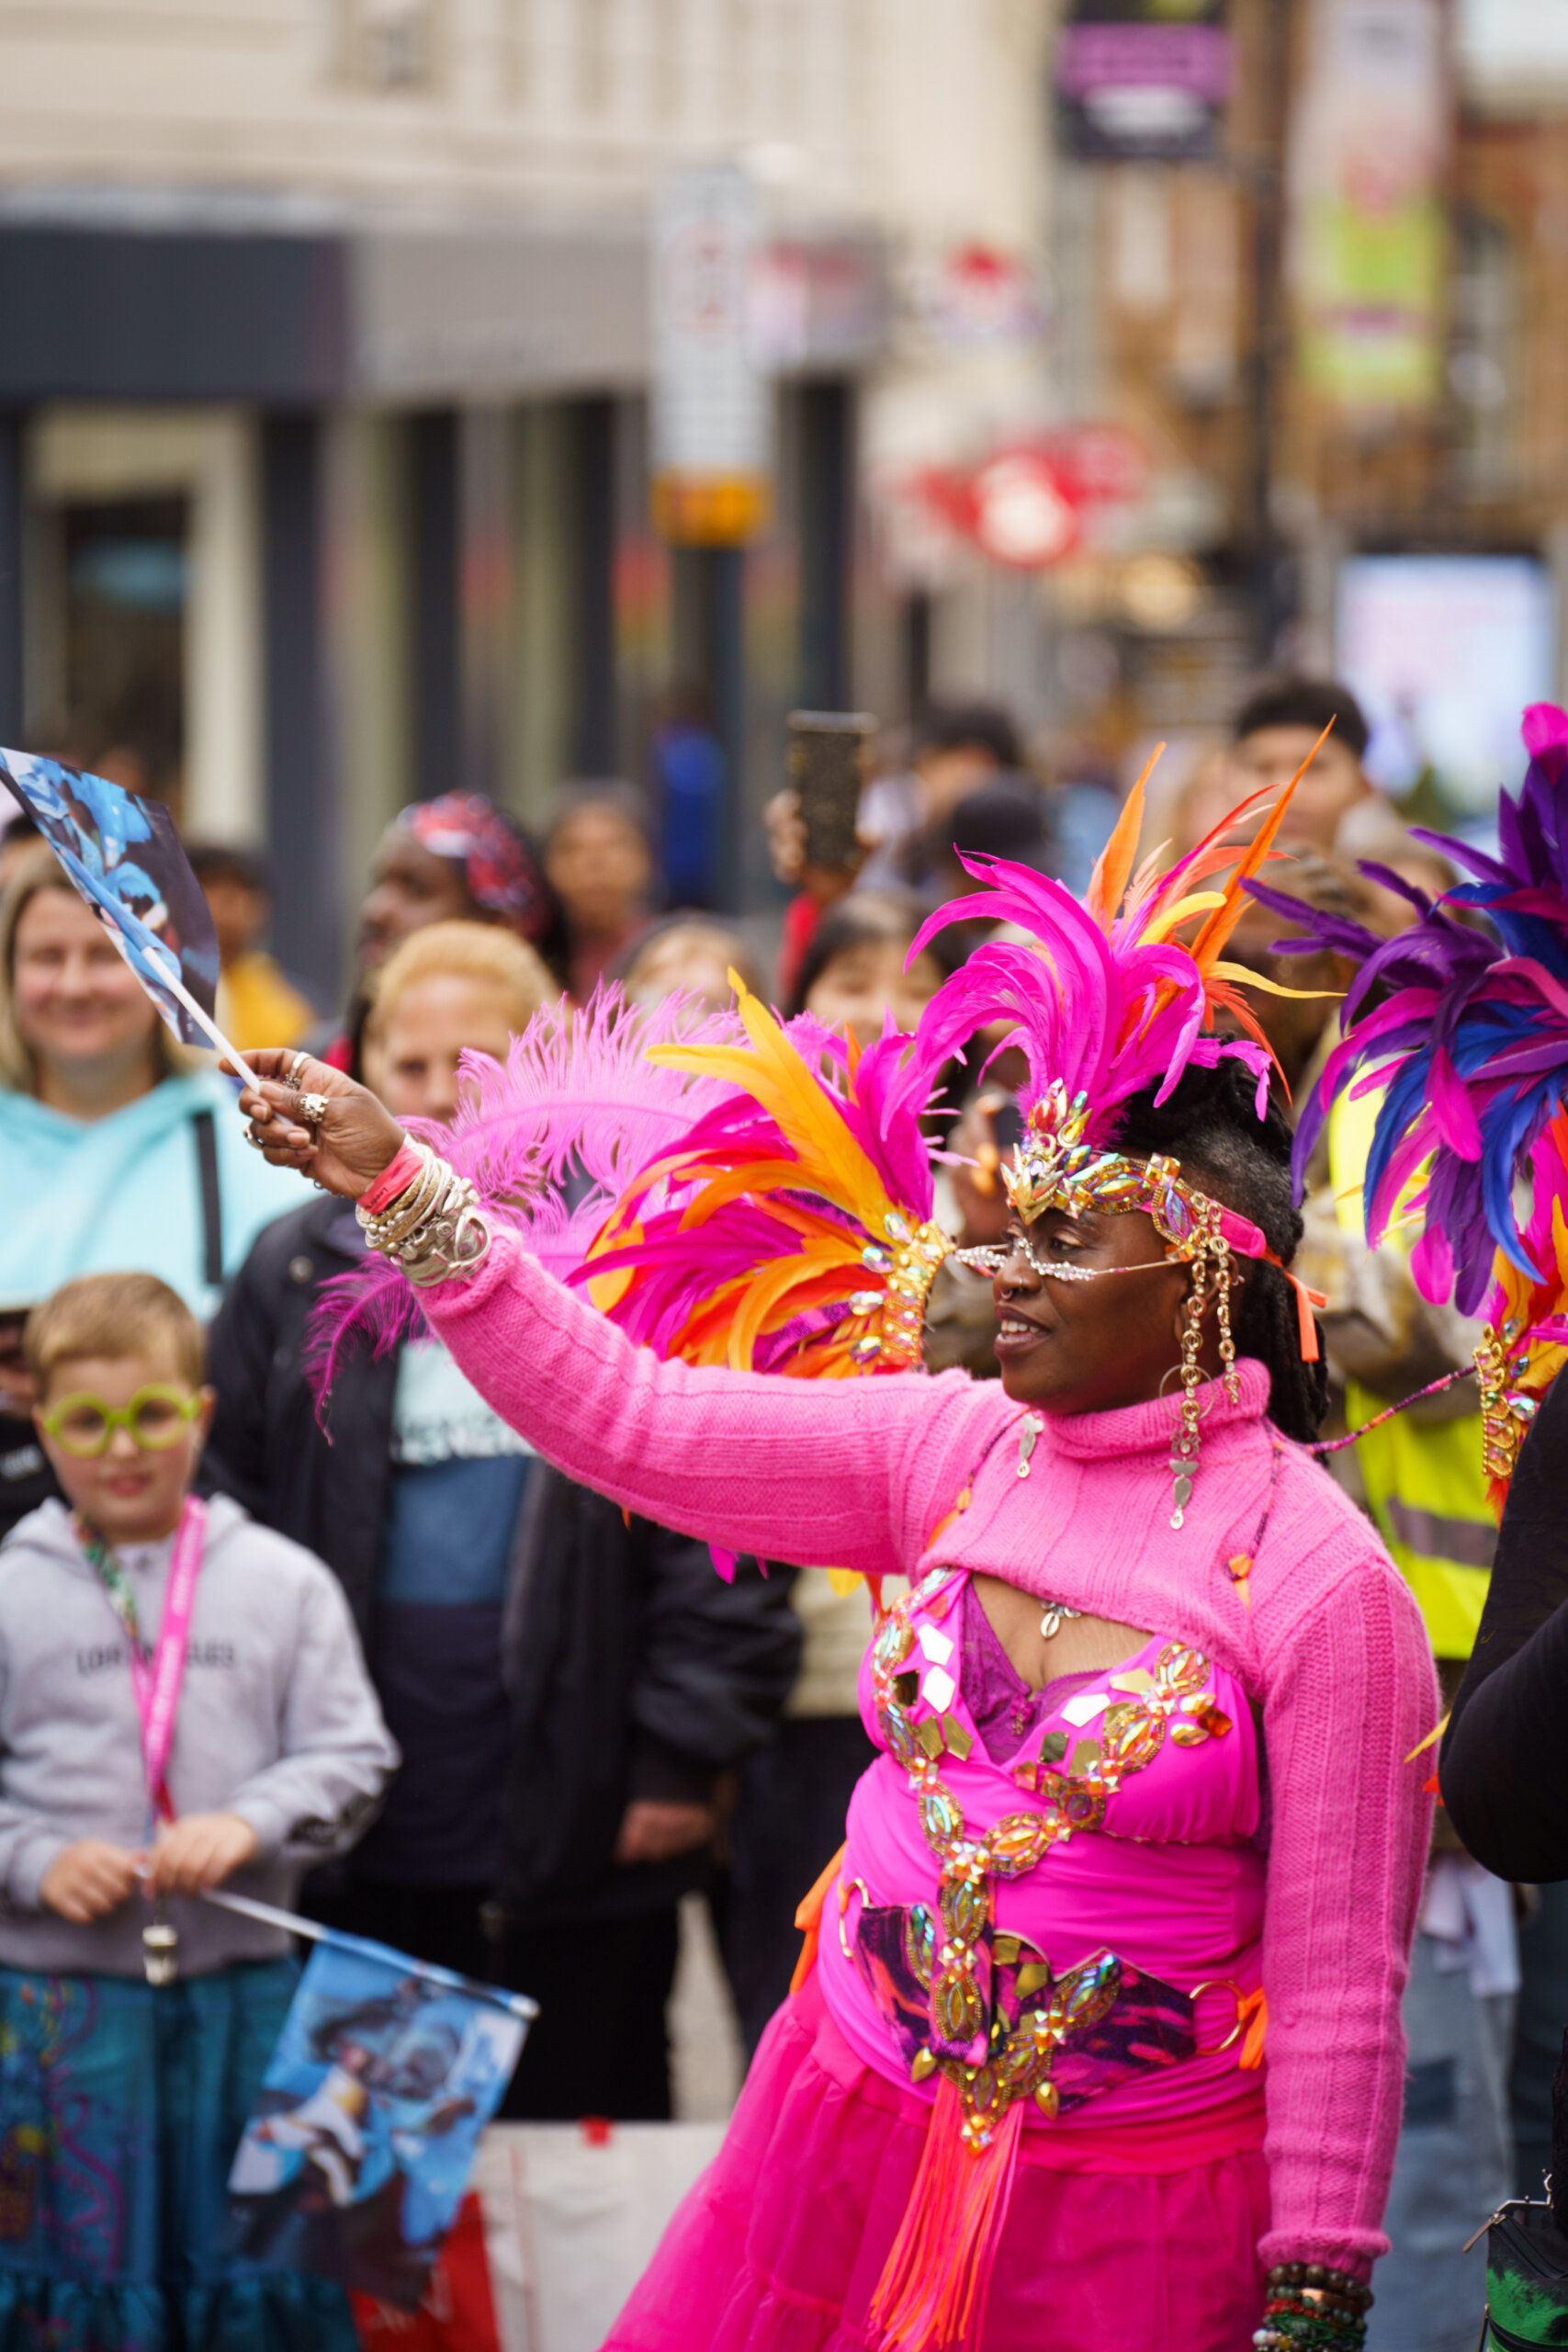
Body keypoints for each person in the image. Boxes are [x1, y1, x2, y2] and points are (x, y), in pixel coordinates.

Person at [237, 760, 1434, 2352]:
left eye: (1060, 1239)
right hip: (844, 2122)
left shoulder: (1322, 1582)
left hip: (1130, 2209)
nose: (1001, 1269)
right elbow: (633, 1419)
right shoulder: (953, 1443)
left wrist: (1315, 2280)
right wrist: (407, 1187)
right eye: (1008, 1227)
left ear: (1205, 1281)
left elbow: (1341, 1976)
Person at [204, 920, 799, 2120]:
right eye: (406, 1065)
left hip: (586, 1818)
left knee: (573, 2169)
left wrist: (679, 1754)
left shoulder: (641, 1258)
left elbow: (725, 1522)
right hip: (367, 1815)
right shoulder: (290, 1268)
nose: (434, 1096)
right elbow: (233, 1505)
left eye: (468, 1063)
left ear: (540, 1069)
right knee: (373, 2174)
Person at [0, 1269, 396, 2346]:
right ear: (42, 1425)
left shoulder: (284, 1582)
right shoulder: (12, 1589)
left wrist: (249, 1823)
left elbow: (356, 1756)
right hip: (61, 2014)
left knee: (260, 2280)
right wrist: (34, 1858)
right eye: (87, 1421)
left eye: (152, 1413)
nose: (122, 1448)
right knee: (75, 2274)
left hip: (247, 1998)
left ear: (202, 1412)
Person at [0, 842, 295, 1317]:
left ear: (164, 974)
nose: (74, 986)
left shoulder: (255, 1156)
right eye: (47, 957)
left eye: (104, 955)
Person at [327, 791, 564, 1077]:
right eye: (380, 883)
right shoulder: (317, 1064)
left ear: (497, 924)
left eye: (416, 889)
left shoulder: (568, 1069)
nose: (375, 910)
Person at [187, 841, 317, 1052]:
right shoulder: (154, 989)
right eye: (211, 885)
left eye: (244, 891)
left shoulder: (290, 1006)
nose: (231, 905)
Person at [544, 784, 656, 1002]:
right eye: (572, 849)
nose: (594, 863)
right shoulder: (528, 961)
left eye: (614, 846)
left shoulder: (671, 958)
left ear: (645, 858)